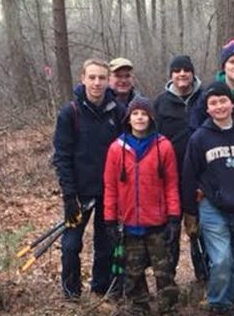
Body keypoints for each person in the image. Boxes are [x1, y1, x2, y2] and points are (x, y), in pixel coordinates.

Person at [189, 38, 234, 307]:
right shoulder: (205, 107)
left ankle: (233, 296)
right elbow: (194, 148)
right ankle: (219, 302)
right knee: (221, 257)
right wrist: (194, 197)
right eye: (233, 61)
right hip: (212, 194)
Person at [52, 58, 126, 299]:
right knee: (71, 245)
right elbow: (62, 157)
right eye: (92, 77)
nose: (97, 83)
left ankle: (100, 288)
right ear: (82, 78)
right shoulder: (69, 113)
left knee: (105, 245)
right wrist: (69, 196)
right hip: (79, 192)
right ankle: (71, 292)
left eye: (102, 78)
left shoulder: (119, 112)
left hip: (109, 192)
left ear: (108, 81)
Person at [103, 97, 180, 315]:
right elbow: (110, 186)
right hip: (128, 223)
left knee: (164, 271)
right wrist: (110, 218)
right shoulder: (116, 149)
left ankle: (169, 307)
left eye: (144, 114)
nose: (139, 118)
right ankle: (140, 307)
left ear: (151, 118)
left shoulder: (163, 146)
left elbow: (172, 184)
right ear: (128, 118)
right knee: (133, 272)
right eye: (135, 114)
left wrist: (174, 216)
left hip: (157, 222)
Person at [153, 54, 208, 282]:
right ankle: (168, 282)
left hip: (202, 175)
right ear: (171, 75)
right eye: (177, 70)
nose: (182, 74)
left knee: (202, 230)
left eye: (186, 69)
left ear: (193, 72)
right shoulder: (160, 103)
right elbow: (152, 139)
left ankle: (205, 278)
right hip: (170, 177)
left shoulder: (205, 99)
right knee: (171, 231)